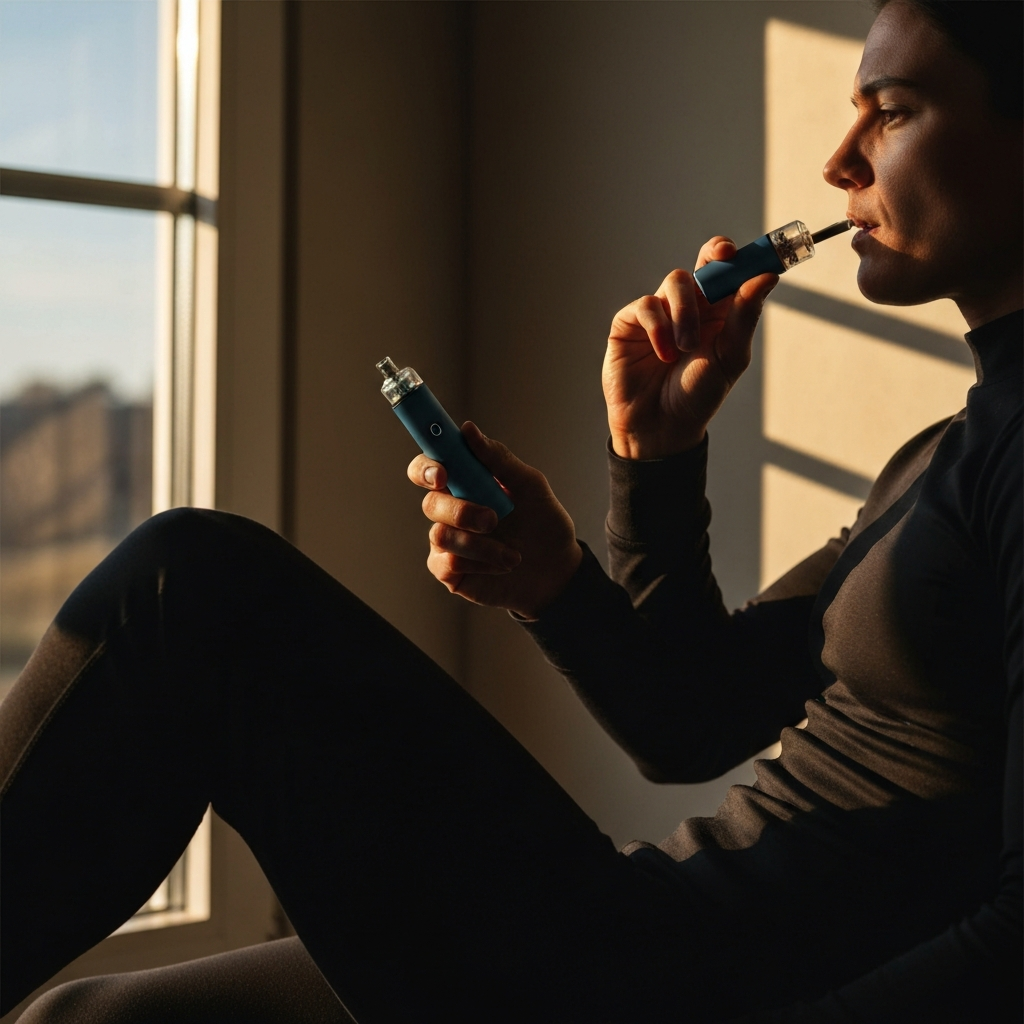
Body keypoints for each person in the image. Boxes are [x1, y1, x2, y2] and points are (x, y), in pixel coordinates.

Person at [2, 1, 1020, 1020]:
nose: (840, 160)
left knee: (190, 586)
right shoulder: (945, 454)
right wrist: (632, 484)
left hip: (671, 980)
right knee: (85, 1017)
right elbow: (687, 723)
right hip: (649, 926)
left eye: (890, 111)